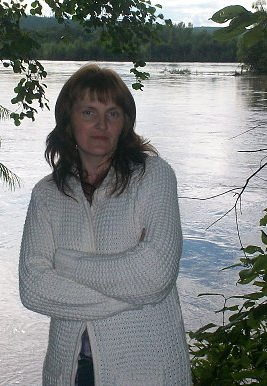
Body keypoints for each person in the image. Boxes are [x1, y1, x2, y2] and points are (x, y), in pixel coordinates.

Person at [19, 63, 192, 386]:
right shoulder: (46, 194)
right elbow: (33, 289)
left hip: (147, 370)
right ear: (68, 120)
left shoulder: (153, 177)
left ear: (125, 123)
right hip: (69, 372)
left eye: (113, 113)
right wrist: (135, 291)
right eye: (89, 112)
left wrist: (64, 262)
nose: (101, 124)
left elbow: (156, 275)